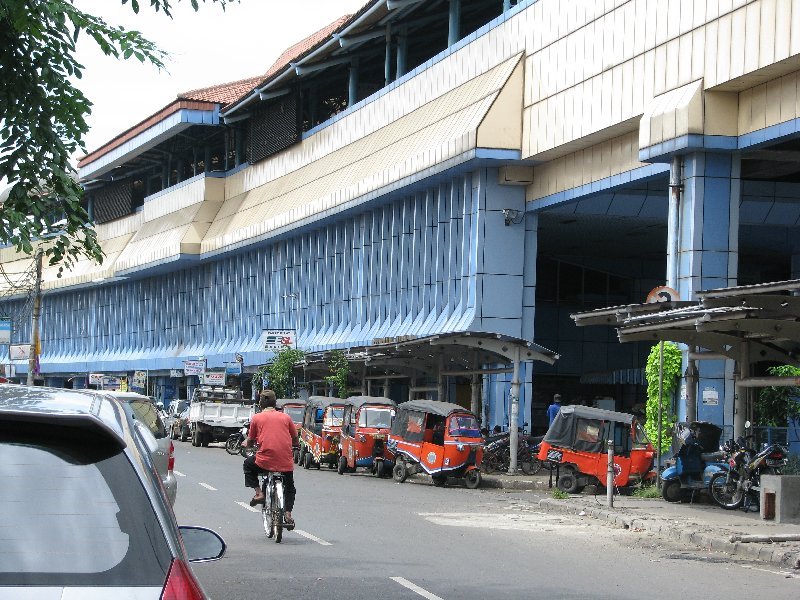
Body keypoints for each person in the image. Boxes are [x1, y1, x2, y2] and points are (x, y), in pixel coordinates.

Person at [242, 390, 299, 527]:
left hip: (264, 460)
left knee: (248, 465)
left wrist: (246, 444)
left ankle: (259, 493)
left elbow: (250, 440)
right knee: (290, 486)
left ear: (261, 403)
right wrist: (295, 445)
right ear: (275, 403)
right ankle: (288, 513)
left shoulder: (257, 418)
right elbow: (295, 438)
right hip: (285, 461)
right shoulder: (286, 418)